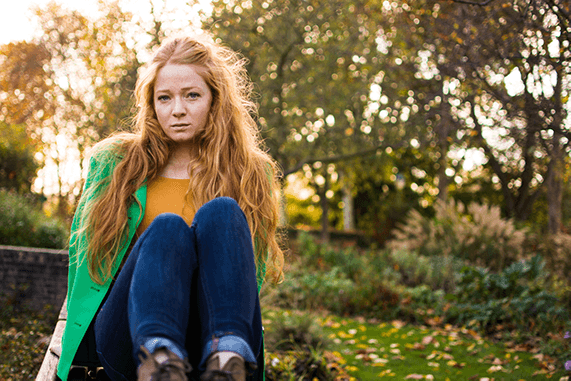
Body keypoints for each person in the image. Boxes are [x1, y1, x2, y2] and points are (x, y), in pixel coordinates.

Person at [56, 33, 284, 381]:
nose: (177, 109)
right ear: (152, 104)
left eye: (192, 95)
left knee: (222, 212)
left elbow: (245, 280)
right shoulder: (115, 163)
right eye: (165, 98)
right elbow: (84, 263)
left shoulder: (251, 173)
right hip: (129, 340)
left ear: (215, 100)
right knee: (167, 228)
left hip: (211, 336)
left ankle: (227, 359)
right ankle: (160, 360)